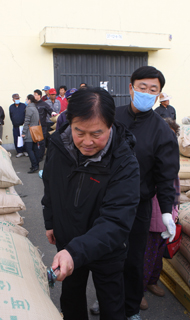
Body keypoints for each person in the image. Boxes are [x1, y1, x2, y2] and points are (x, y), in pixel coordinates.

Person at [42, 87, 140, 320]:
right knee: (71, 298)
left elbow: (116, 221)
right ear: (70, 123)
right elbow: (50, 184)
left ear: (110, 126)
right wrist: (50, 221)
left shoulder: (125, 163)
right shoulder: (59, 144)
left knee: (112, 303)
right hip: (67, 241)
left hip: (107, 248)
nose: (87, 142)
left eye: (97, 134)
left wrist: (75, 252)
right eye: (79, 132)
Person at [104, 66, 179, 320]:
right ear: (131, 88)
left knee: (133, 259)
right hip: (106, 200)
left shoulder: (162, 131)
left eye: (153, 90)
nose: (147, 93)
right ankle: (107, 301)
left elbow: (166, 176)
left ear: (159, 95)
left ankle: (131, 308)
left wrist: (167, 211)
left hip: (139, 205)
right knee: (106, 254)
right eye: (142, 88)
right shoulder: (112, 117)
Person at [141, 118, 180, 311]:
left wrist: (174, 212)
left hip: (167, 216)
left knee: (158, 255)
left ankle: (152, 281)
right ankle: (137, 291)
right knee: (146, 254)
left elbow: (175, 189)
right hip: (152, 215)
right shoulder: (151, 158)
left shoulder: (173, 159)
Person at [22, 94, 41, 174]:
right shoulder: (35, 108)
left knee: (29, 149)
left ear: (29, 100)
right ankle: (36, 164)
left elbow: (27, 121)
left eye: (26, 99)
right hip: (35, 131)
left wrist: (23, 132)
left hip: (30, 131)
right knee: (35, 149)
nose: (26, 101)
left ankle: (34, 166)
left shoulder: (29, 108)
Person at [34, 89, 53, 160]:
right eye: (34, 94)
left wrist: (53, 114)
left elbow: (50, 111)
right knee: (35, 141)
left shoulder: (44, 104)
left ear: (39, 96)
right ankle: (36, 154)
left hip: (42, 126)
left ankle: (40, 156)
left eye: (35, 95)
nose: (34, 96)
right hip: (34, 126)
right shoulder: (33, 104)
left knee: (42, 142)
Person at [9, 93, 28, 158]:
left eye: (18, 98)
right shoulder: (11, 107)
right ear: (13, 100)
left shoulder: (23, 106)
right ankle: (19, 152)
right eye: (16, 98)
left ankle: (25, 151)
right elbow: (11, 116)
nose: (17, 99)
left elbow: (26, 115)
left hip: (23, 126)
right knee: (16, 139)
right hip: (15, 126)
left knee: (24, 138)